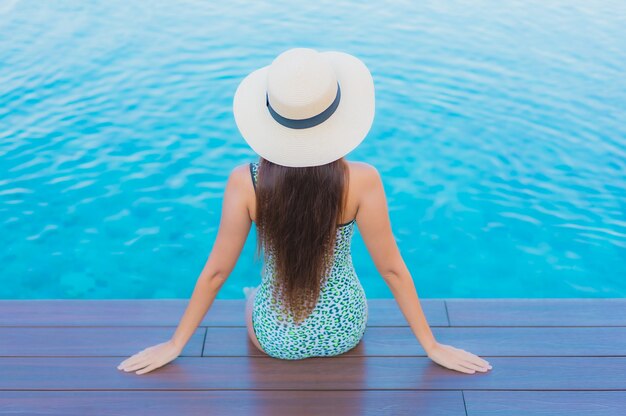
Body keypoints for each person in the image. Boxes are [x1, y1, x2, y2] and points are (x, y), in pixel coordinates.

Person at [117, 47, 492, 375]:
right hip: (346, 329)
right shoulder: (362, 180)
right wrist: (432, 346)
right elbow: (392, 270)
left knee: (253, 296)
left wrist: (174, 344)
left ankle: (256, 296)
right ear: (338, 117)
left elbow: (216, 273)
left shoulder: (245, 182)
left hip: (277, 339)